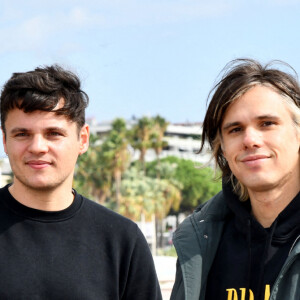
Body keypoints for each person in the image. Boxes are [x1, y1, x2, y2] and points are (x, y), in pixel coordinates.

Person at [0, 65, 162, 299]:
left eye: (54, 133)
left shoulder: (122, 240)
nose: (37, 147)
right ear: (5, 141)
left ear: (82, 139)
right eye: (22, 134)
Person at [170, 59, 300, 300]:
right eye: (235, 129)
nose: (250, 140)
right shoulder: (199, 243)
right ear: (223, 149)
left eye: (267, 123)